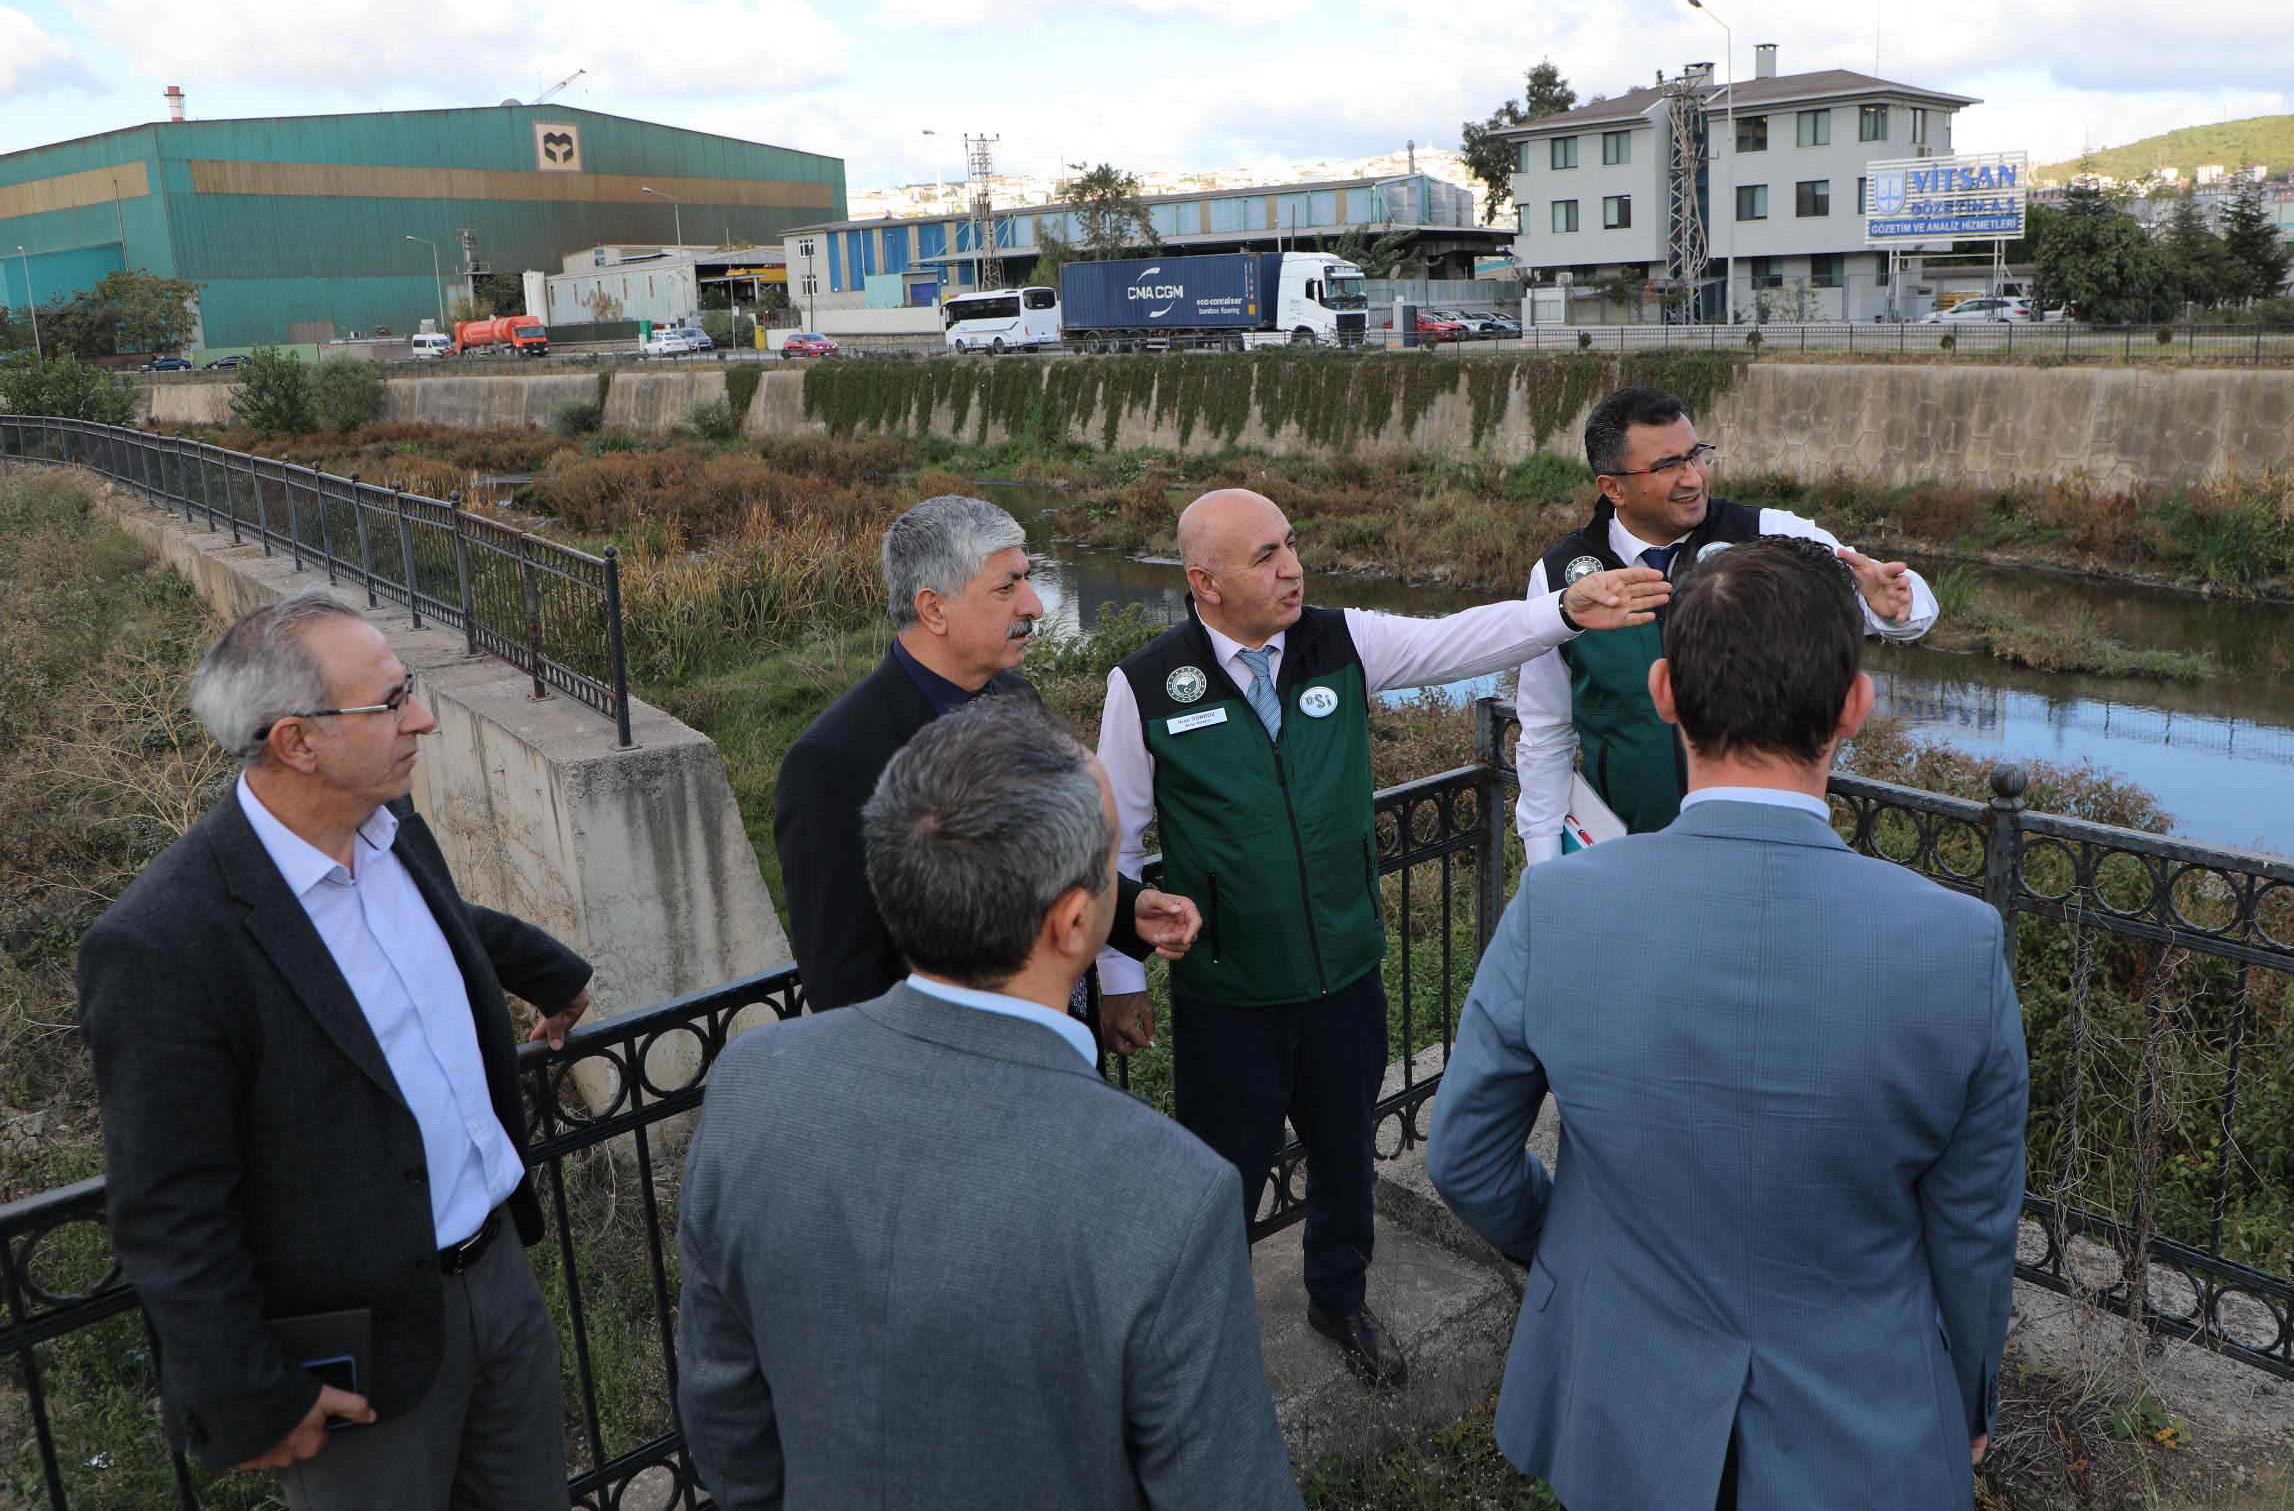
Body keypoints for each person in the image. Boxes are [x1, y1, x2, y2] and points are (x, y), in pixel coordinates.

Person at [1428, 538, 2028, 1511]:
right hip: (1862, 1426)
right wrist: (1964, 1399)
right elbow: (1971, 1233)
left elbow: (1462, 1156)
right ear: (1853, 707)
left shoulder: (1559, 909)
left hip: (1624, 1402)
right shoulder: (1957, 945)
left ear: (1664, 693)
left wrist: (1574, 1249)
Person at [1095, 488, 1669, 1385]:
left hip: (1346, 978)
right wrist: (1120, 975)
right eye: (1265, 557)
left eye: (1292, 545)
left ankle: (1339, 1296)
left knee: (1344, 1158)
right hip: (1230, 993)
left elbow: (1457, 639)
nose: (1292, 568)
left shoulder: (1338, 640)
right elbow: (1118, 841)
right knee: (1219, 1179)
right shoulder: (1143, 687)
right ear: (1203, 582)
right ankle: (1205, 1336)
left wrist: (1562, 609)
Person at [677, 700, 1301, 1510]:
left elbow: (725, 1415)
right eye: (1113, 860)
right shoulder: (1168, 1196)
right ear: (1074, 923)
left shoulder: (752, 1085)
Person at [77, 587, 595, 1509]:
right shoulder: (167, 940)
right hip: (361, 1358)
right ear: (297, 742)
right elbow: (168, 1204)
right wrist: (250, 1395)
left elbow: (443, 927)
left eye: (412, 688)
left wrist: (548, 970)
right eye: (392, 700)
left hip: (500, 1285)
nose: (423, 717)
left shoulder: (388, 827)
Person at [773, 494, 1196, 1043]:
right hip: (953, 1085)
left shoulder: (1018, 697)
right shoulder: (834, 760)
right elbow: (843, 980)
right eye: (1007, 587)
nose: (1035, 606)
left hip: (1064, 1049)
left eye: (1027, 578)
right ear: (933, 609)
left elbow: (1039, 859)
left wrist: (1128, 907)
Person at [1515, 383, 1938, 859]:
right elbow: (1546, 730)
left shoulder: (1766, 534)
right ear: (1613, 487)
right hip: (1626, 851)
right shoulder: (1560, 575)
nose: (1692, 478)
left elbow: (1907, 605)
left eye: (1695, 456)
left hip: (1759, 846)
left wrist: (1890, 605)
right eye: (1667, 466)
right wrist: (1544, 857)